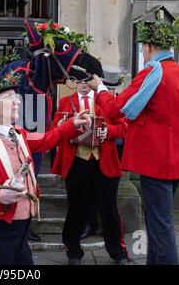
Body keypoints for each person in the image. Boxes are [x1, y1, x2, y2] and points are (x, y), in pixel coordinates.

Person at [87, 15, 179, 265]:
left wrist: (100, 87)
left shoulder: (151, 74)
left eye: (144, 47)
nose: (143, 52)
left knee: (161, 227)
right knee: (157, 224)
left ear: (150, 47)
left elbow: (114, 110)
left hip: (156, 162)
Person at [0, 72, 92, 265]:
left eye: (16, 97)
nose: (17, 101)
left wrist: (73, 124)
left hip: (22, 229)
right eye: (9, 98)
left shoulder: (19, 134)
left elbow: (46, 139)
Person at [51, 80, 129, 265]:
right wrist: (62, 125)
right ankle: (73, 252)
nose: (82, 84)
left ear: (93, 81)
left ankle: (118, 252)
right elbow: (54, 130)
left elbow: (124, 127)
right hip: (77, 162)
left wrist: (108, 131)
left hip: (104, 162)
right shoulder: (64, 102)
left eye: (86, 80)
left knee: (109, 209)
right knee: (75, 208)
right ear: (72, 82)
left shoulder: (106, 101)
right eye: (78, 80)